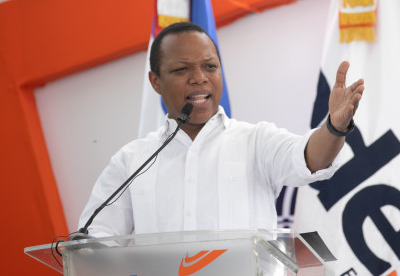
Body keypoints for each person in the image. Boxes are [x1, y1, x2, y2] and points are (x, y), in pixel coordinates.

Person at [78, 21, 364, 237]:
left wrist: (334, 127)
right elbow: (94, 240)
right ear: (156, 82)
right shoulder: (132, 161)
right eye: (182, 70)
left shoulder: (256, 141)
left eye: (210, 66)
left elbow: (310, 158)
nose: (199, 78)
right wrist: (88, 248)